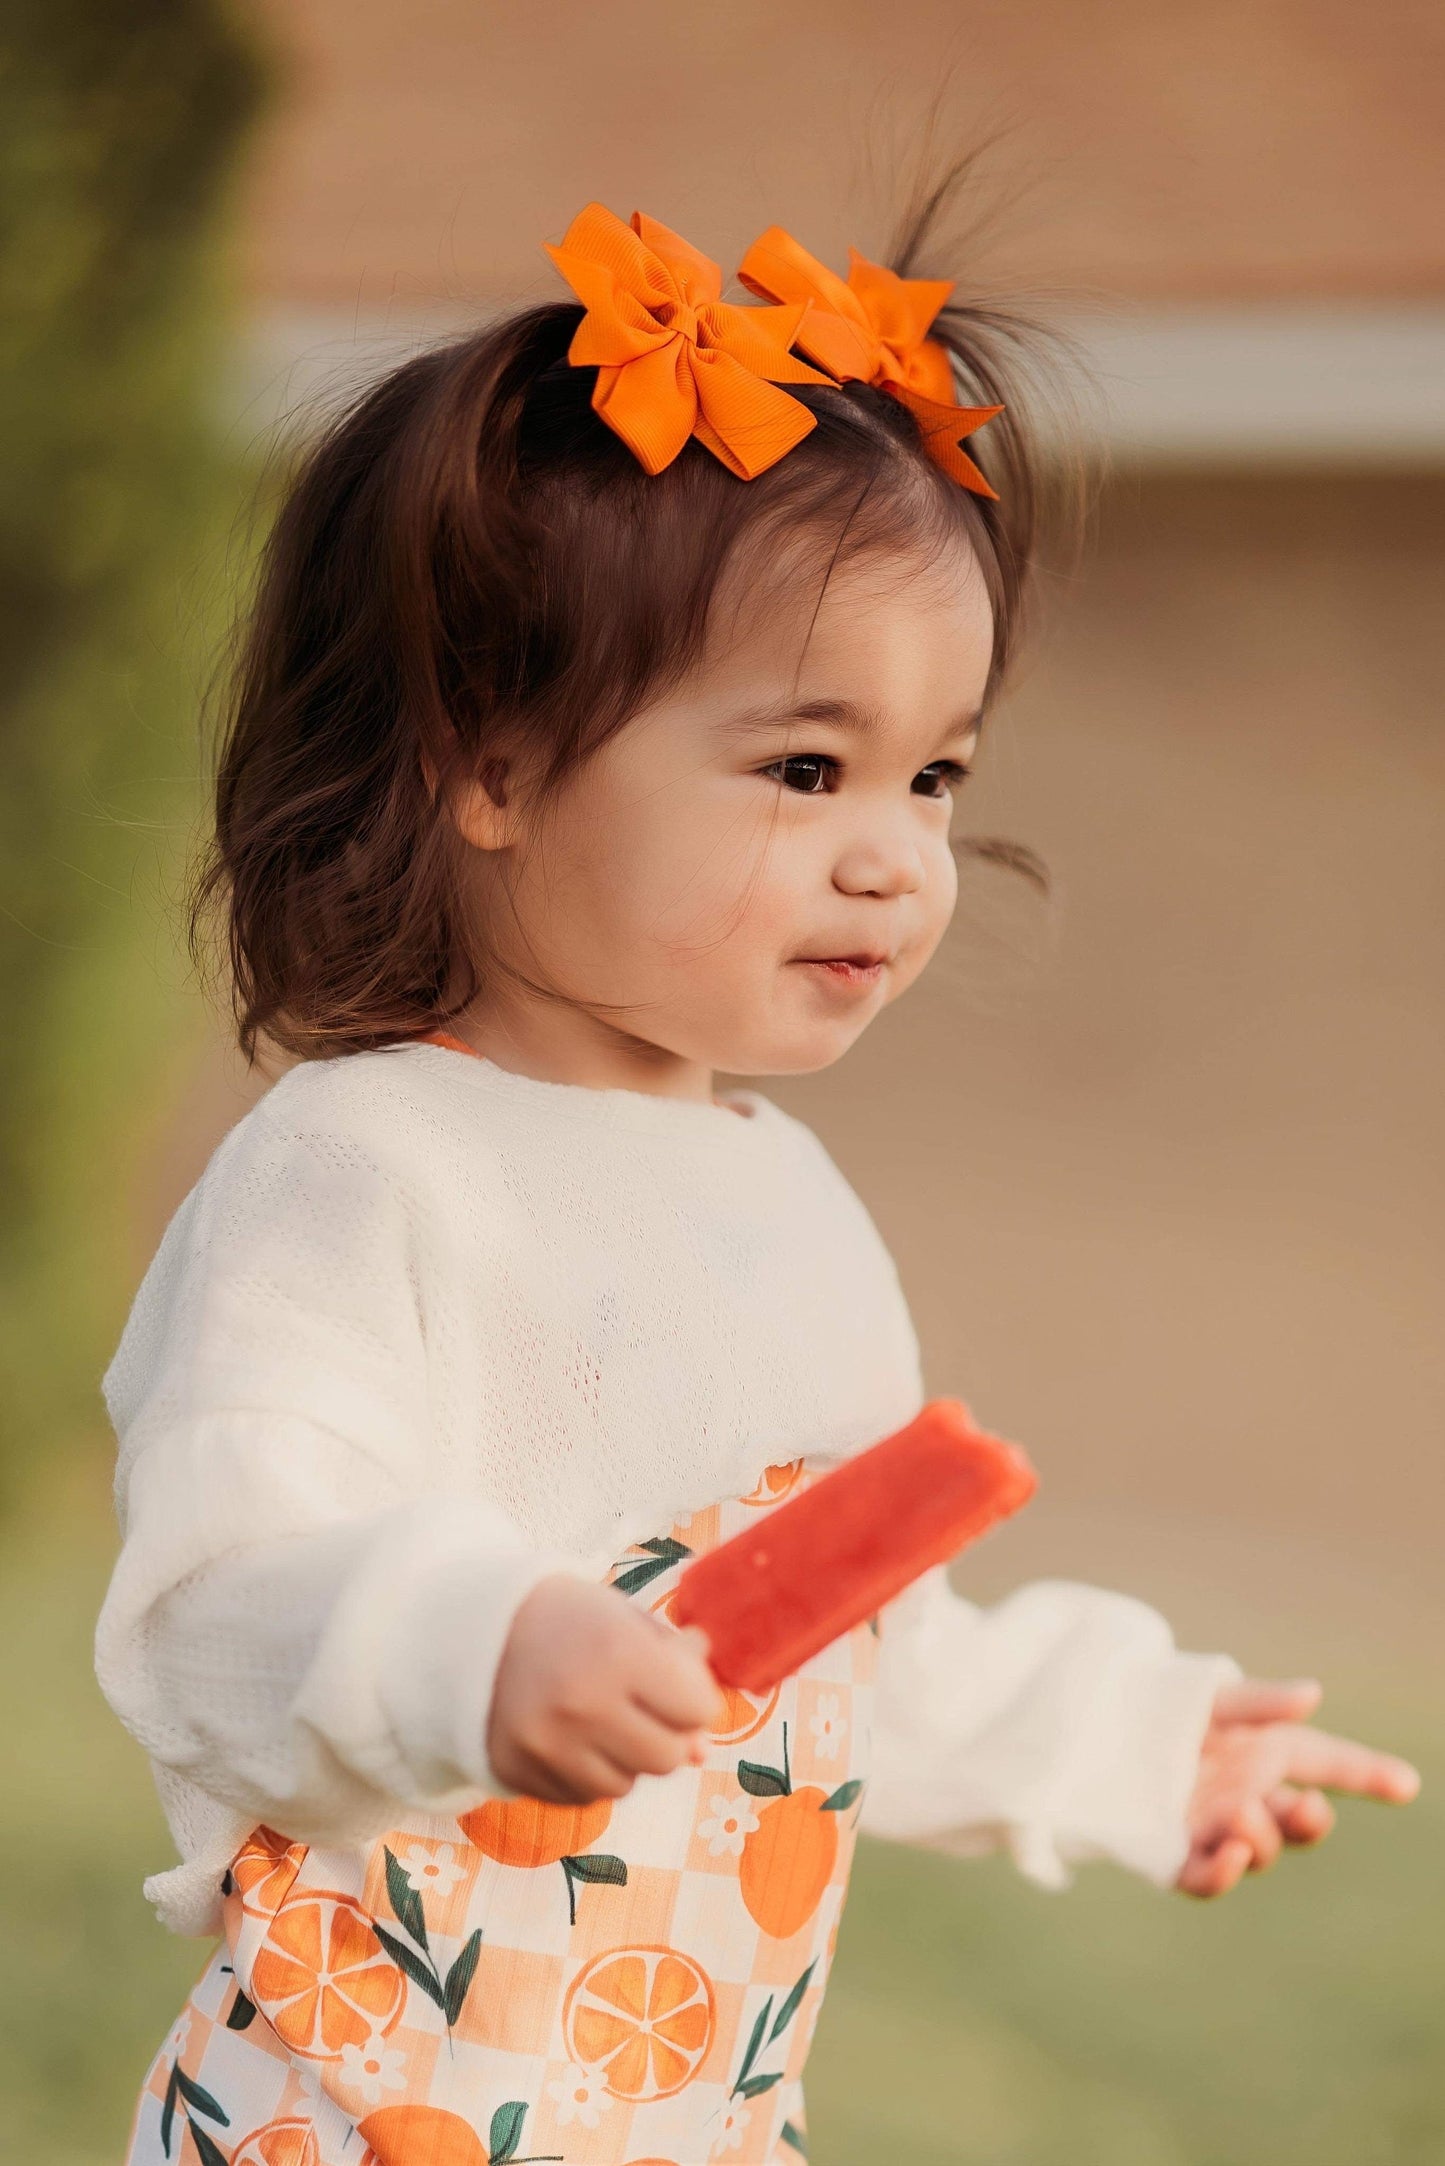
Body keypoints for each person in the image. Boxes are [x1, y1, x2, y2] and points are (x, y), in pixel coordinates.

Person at [95, 194, 1420, 2166]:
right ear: (493, 758)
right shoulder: (368, 1176)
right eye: (808, 770)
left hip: (691, 2110)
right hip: (374, 2104)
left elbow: (841, 1659)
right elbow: (217, 1606)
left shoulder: (782, 1203)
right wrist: (479, 1647)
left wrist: (1130, 1744)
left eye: (935, 777)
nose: (895, 855)